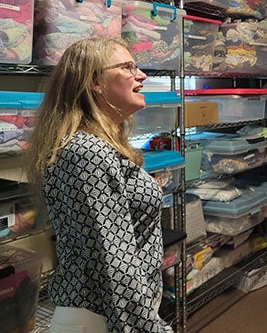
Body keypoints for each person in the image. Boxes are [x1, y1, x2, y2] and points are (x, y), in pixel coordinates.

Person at [26, 37, 173, 332]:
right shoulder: (86, 151)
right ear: (94, 81)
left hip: (116, 312)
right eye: (128, 67)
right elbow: (113, 261)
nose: (141, 75)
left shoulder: (101, 144)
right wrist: (149, 328)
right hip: (100, 318)